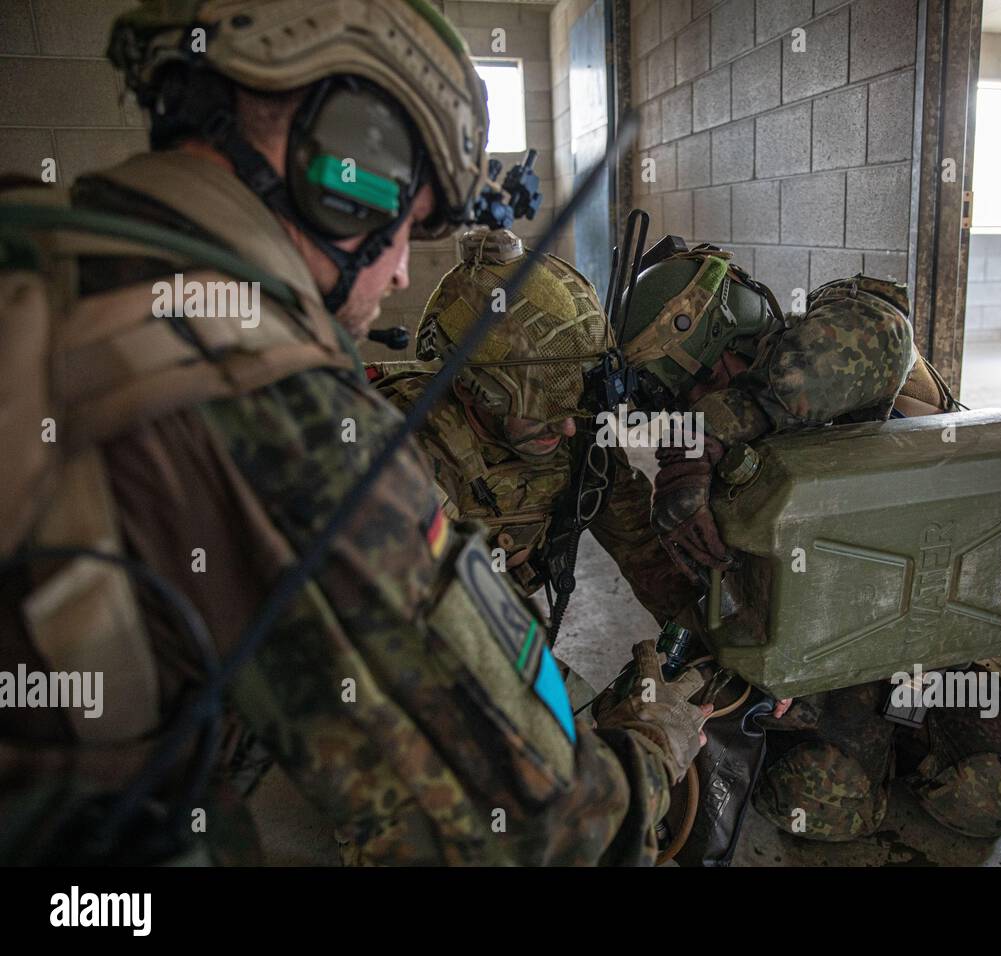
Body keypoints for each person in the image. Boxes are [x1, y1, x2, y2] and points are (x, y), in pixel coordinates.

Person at [0, 0, 706, 866]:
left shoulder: (36, 253)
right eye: (405, 225)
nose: (404, 268)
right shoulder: (280, 409)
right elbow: (548, 831)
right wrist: (654, 746)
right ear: (351, 162)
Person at [617, 241, 1001, 842]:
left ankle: (916, 739)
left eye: (707, 379)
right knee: (824, 807)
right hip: (842, 646)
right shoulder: (721, 457)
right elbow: (724, 597)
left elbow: (876, 335)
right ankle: (881, 743)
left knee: (986, 802)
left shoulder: (833, 336)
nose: (697, 403)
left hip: (959, 628)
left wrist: (709, 432)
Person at [370, 227, 702, 624]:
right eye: (541, 414)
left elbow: (643, 550)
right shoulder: (407, 452)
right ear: (469, 389)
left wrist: (711, 646)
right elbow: (437, 636)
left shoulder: (577, 431)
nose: (565, 430)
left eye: (574, 409)